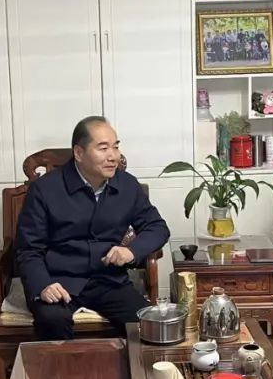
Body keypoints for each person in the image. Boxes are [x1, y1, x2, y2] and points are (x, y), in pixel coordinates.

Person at [15, 116, 169, 340]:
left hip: (108, 280)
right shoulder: (44, 189)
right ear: (79, 153)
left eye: (116, 147)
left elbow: (157, 227)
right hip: (59, 280)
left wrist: (131, 251)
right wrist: (43, 285)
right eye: (103, 148)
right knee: (52, 321)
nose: (113, 156)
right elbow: (28, 249)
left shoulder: (127, 185)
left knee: (146, 324)